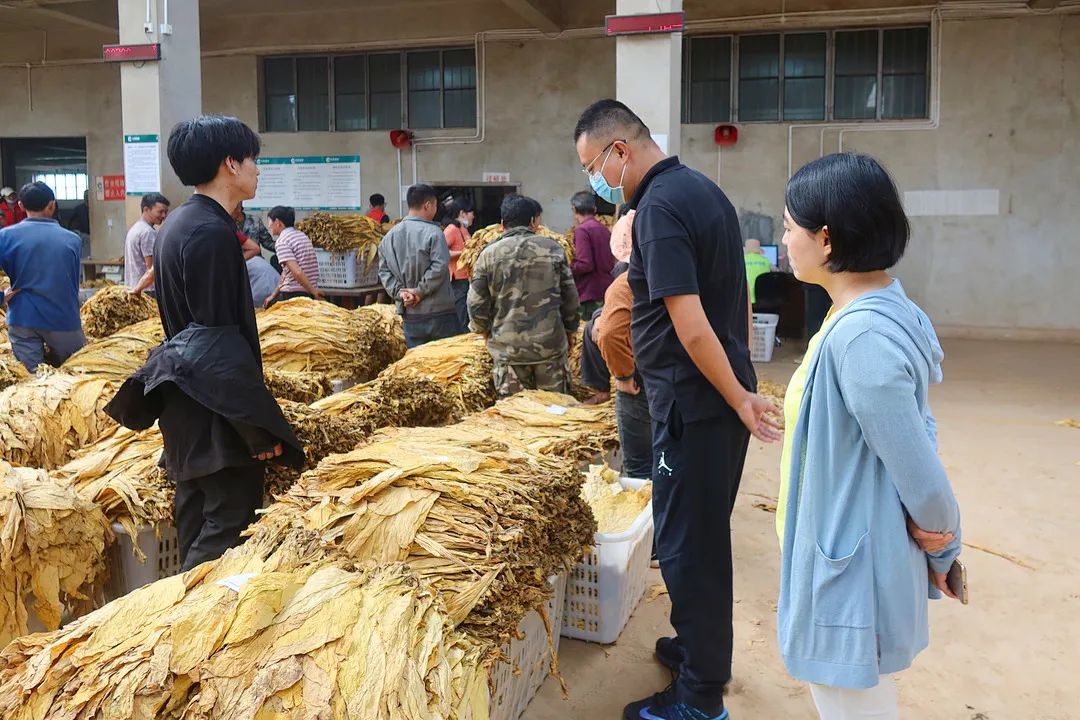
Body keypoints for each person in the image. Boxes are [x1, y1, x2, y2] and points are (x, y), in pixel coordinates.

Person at [575, 99, 780, 720]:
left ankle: (700, 696)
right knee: (697, 532)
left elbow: (690, 324)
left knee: (692, 548)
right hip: (711, 398)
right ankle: (695, 650)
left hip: (694, 406)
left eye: (594, 165)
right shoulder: (704, 192)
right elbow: (733, 306)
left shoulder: (659, 208)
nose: (597, 179)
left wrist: (739, 396)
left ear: (622, 151)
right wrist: (741, 378)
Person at [777, 153, 962, 720]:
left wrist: (945, 545)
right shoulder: (865, 310)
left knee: (852, 704)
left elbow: (920, 470)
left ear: (826, 240)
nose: (784, 240)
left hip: (849, 565)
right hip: (837, 545)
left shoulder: (862, 339)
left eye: (789, 228)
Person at [106, 115, 303, 572]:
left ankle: (176, 626)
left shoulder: (179, 224)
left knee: (196, 524)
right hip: (215, 414)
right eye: (253, 159)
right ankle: (192, 636)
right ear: (230, 164)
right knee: (221, 543)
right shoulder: (211, 234)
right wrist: (255, 429)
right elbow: (215, 344)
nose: (258, 169)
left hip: (190, 408)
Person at [468, 193, 580, 398]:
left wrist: (483, 331)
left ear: (502, 224)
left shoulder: (489, 254)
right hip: (549, 349)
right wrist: (571, 330)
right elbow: (570, 298)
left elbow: (476, 303)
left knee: (515, 419)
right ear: (532, 221)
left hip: (508, 350)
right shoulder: (552, 249)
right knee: (554, 412)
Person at [0, 181, 85, 372]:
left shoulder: (4, 237)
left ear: (20, 206)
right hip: (63, 319)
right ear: (52, 205)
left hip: (22, 320)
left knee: (31, 382)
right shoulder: (73, 240)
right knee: (76, 374)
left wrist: (1, 296)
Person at [595, 210, 653, 480]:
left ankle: (651, 521)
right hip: (675, 379)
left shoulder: (625, 284)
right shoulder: (678, 278)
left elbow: (609, 334)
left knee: (640, 468)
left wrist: (624, 376)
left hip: (640, 382)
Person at [378, 184, 459, 348]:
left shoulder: (389, 236)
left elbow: (384, 271)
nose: (436, 209)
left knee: (416, 366)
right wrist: (419, 291)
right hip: (440, 314)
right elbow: (439, 266)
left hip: (411, 314)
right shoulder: (434, 233)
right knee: (443, 363)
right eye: (435, 205)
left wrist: (401, 293)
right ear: (427, 205)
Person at [131, 200, 257, 296]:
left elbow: (254, 248)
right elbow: (156, 268)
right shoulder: (217, 227)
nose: (239, 211)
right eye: (237, 208)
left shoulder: (226, 229)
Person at [570, 191, 616, 320]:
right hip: (606, 288)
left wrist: (567, 268)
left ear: (574, 209)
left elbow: (585, 264)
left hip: (590, 292)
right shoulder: (603, 228)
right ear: (594, 209)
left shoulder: (582, 230)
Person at [263, 205, 321, 306]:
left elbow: (297, 272)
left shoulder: (282, 241)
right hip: (307, 290)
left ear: (277, 222)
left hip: (293, 294)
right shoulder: (301, 235)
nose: (269, 226)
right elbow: (287, 272)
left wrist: (314, 292)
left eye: (270, 221)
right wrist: (273, 295)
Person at [124, 192, 171, 298]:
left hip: (133, 286)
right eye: (160, 211)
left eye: (166, 212)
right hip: (147, 290)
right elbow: (152, 269)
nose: (164, 216)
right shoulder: (148, 232)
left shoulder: (135, 228)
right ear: (146, 209)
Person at [443, 199, 475, 332]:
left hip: (466, 278)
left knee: (466, 312)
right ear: (462, 213)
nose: (473, 216)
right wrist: (463, 253)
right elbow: (440, 251)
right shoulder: (452, 229)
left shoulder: (463, 229)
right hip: (457, 279)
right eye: (471, 213)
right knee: (461, 313)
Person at [743, 238, 774, 304]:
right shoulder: (766, 260)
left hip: (746, 300)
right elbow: (778, 273)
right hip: (763, 299)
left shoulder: (741, 260)